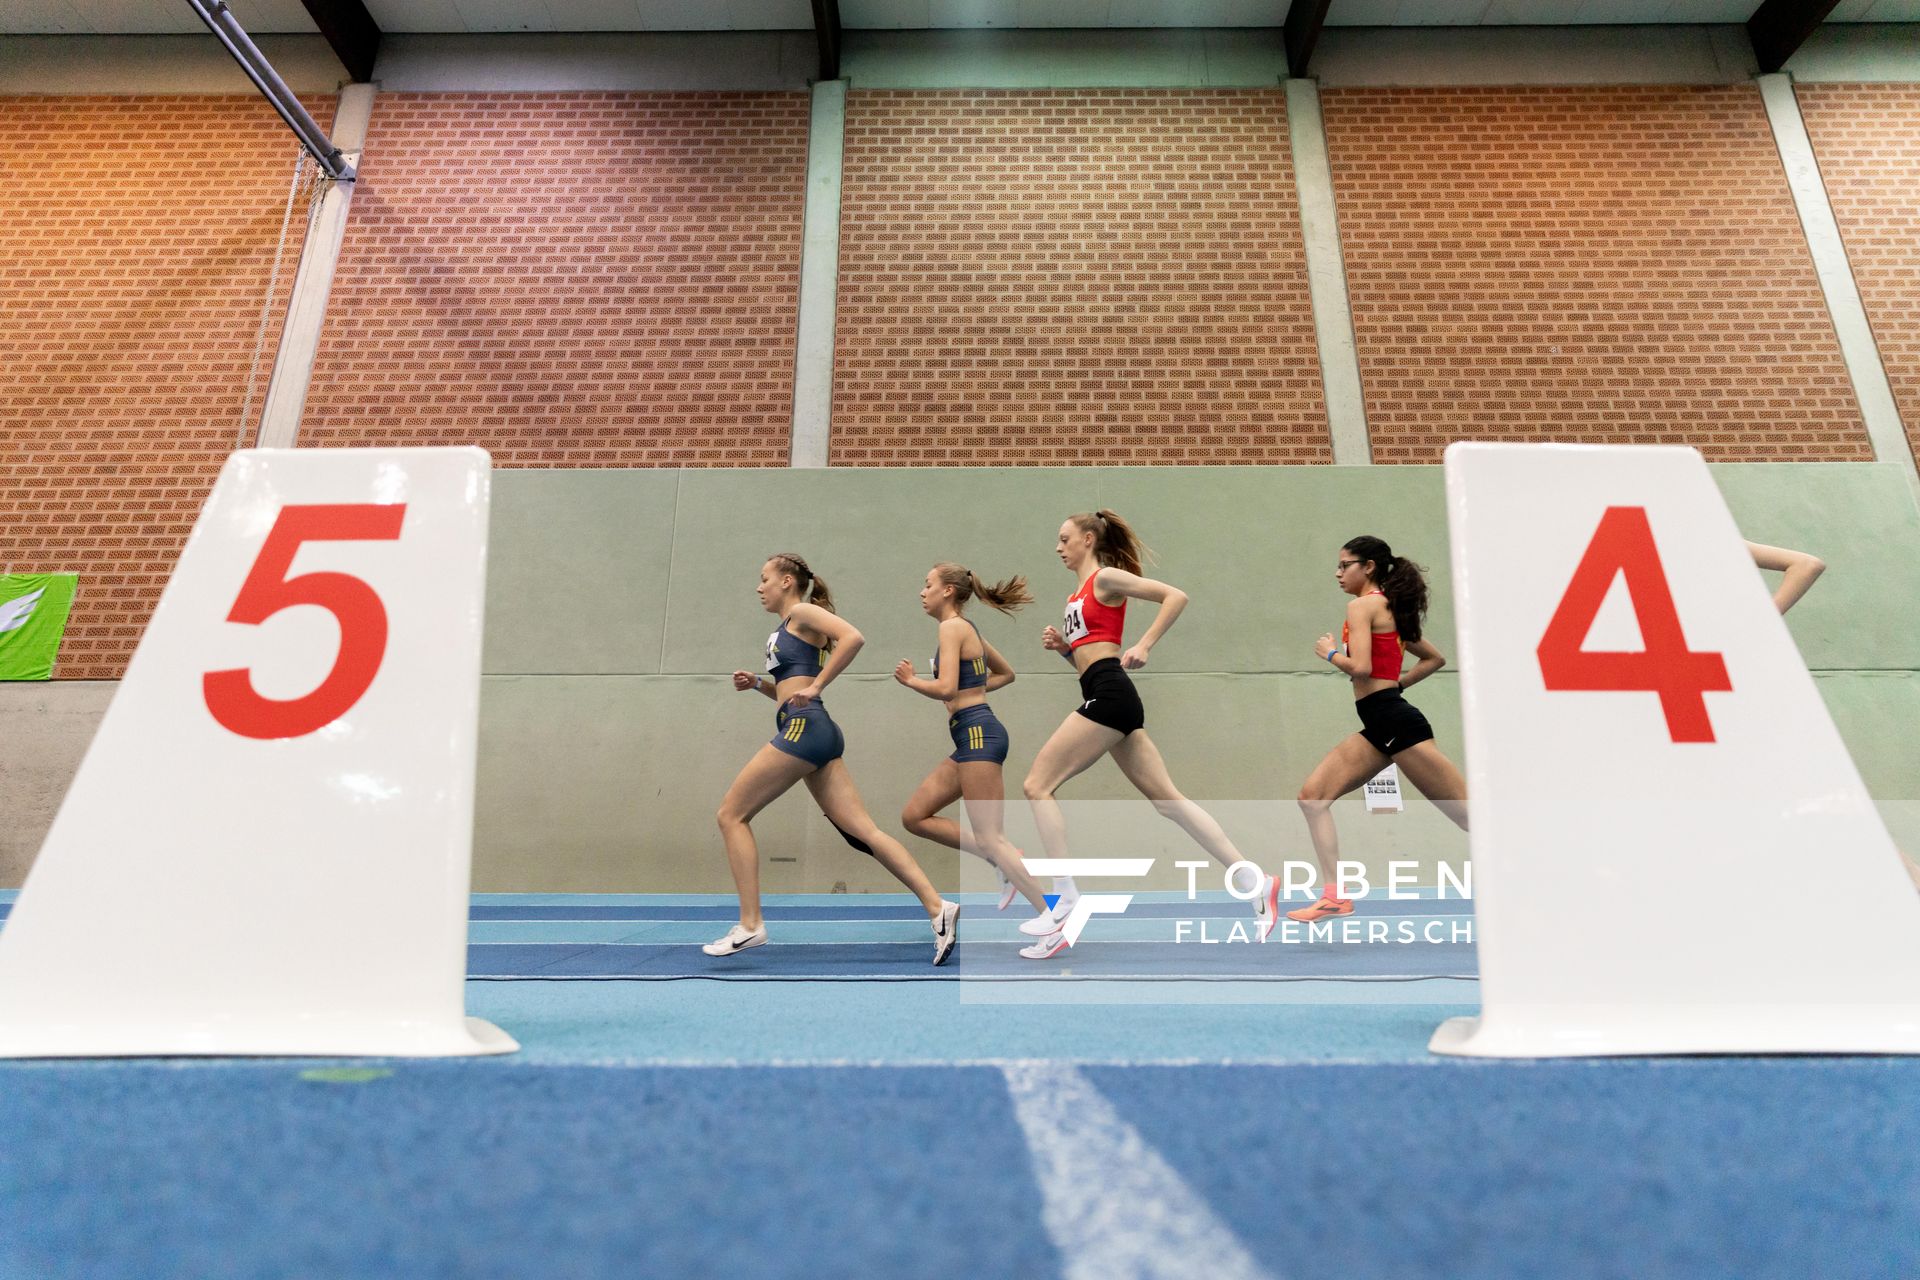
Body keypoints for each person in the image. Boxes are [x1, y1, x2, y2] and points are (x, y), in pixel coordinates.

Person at [1021, 510, 1272, 960]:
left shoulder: (1105, 578)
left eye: (1064, 539)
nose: (1058, 547)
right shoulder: (1076, 593)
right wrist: (1065, 650)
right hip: (1105, 691)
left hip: (1112, 693)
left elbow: (1176, 596)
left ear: (1088, 539)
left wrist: (1145, 644)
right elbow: (1089, 663)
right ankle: (1253, 879)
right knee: (1167, 801)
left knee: (1037, 786)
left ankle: (1065, 897)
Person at [708, 553, 959, 965]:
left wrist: (821, 685)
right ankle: (939, 907)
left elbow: (854, 638)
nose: (759, 587)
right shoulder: (788, 627)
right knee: (866, 833)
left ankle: (751, 924)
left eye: (764, 579)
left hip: (804, 728)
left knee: (731, 815)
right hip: (813, 729)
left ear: (787, 581)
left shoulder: (804, 612)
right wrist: (757, 684)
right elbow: (793, 689)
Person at [1290, 536, 1469, 923]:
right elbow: (1434, 658)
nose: (1338, 574)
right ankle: (1334, 896)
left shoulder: (1363, 605)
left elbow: (1363, 669)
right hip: (1380, 722)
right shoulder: (1389, 607)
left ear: (1368, 566)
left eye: (1344, 565)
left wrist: (1331, 653)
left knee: (1469, 817)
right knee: (1312, 798)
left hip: (1395, 724)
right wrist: (1398, 684)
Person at [894, 563, 1057, 940]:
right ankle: (997, 855)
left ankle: (1052, 914)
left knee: (991, 837)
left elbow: (947, 688)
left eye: (928, 584)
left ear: (948, 590)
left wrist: (913, 681)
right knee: (915, 816)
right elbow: (1005, 674)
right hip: (968, 736)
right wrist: (973, 694)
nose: (923, 591)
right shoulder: (965, 630)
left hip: (979, 734)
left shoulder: (951, 628)